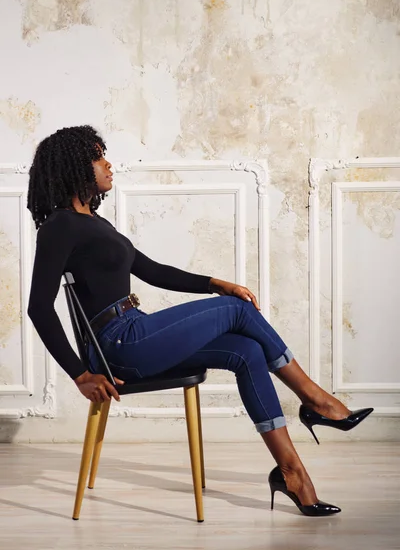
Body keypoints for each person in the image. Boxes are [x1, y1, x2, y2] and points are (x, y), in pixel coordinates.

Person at [27, 125, 373, 517]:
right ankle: (316, 401)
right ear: (74, 166)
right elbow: (39, 307)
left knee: (246, 351)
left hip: (133, 330)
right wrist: (79, 374)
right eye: (97, 157)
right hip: (119, 345)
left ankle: (293, 473)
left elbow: (153, 270)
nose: (108, 164)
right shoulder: (59, 226)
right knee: (239, 311)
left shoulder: (95, 223)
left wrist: (213, 283)